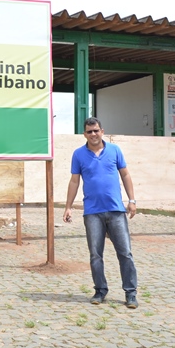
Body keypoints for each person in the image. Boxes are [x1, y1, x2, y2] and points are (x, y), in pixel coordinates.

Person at [63, 117, 139, 308]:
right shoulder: (78, 154)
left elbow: (126, 175)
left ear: (102, 131)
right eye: (89, 132)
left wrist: (132, 200)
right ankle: (100, 290)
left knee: (125, 253)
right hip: (92, 212)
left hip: (115, 210)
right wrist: (68, 206)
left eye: (96, 130)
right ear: (84, 134)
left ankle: (130, 293)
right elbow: (74, 181)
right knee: (95, 254)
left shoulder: (115, 150)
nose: (93, 134)